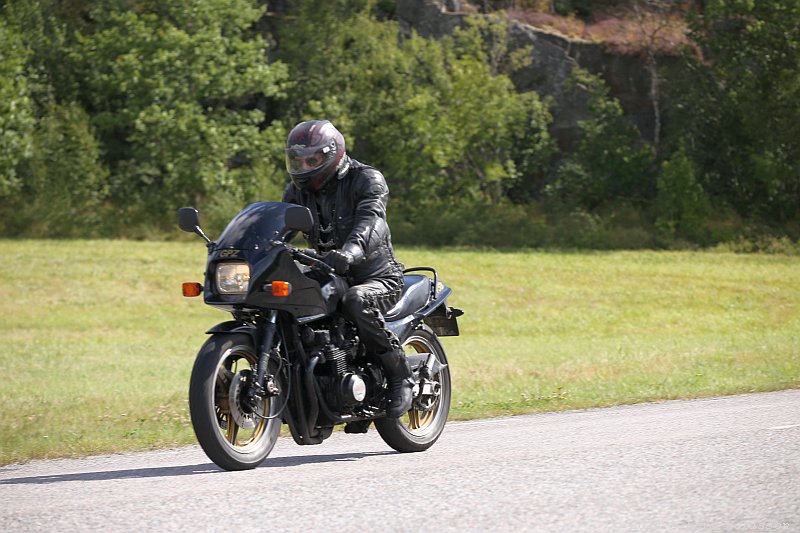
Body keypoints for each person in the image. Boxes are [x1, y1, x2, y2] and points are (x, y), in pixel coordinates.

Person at [282, 119, 413, 418]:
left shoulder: (367, 179)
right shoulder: (295, 191)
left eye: (312, 160)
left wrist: (350, 252)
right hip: (328, 273)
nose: (304, 166)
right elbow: (281, 227)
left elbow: (372, 221)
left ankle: (399, 375)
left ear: (332, 154)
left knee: (355, 299)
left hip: (377, 277)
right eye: (297, 160)